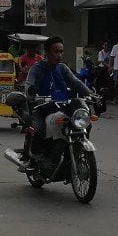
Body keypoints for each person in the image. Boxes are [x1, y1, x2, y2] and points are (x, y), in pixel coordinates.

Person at [19, 36, 90, 164]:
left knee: (84, 121)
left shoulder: (62, 68)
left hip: (62, 107)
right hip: (42, 108)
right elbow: (29, 87)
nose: (59, 55)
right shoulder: (36, 68)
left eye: (61, 52)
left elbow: (76, 82)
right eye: (56, 52)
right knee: (39, 130)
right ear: (46, 52)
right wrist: (32, 91)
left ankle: (75, 150)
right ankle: (34, 159)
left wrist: (91, 94)